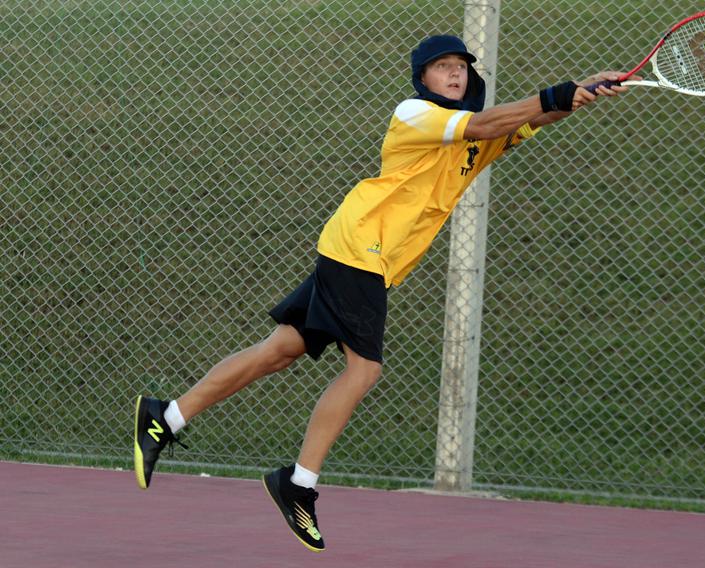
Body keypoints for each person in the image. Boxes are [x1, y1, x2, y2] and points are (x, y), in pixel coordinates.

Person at [133, 34, 637, 553]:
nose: (455, 74)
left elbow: (526, 120)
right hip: (360, 248)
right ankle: (298, 483)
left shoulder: (476, 139)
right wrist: (559, 92)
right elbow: (490, 121)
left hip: (364, 255)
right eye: (442, 67)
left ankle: (165, 417)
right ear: (423, 78)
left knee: (280, 350)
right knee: (364, 368)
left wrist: (589, 87)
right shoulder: (414, 113)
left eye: (461, 66)